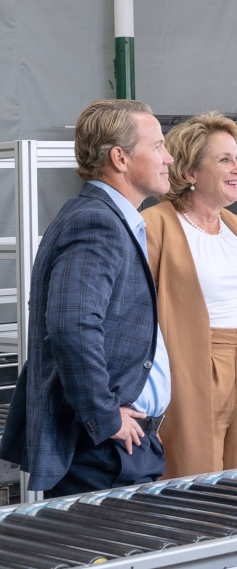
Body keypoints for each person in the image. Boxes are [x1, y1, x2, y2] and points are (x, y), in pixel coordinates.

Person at [0, 100, 172, 496]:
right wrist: (106, 416)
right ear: (120, 158)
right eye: (158, 146)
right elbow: (71, 327)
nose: (169, 157)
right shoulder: (96, 222)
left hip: (122, 444)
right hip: (102, 450)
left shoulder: (112, 219)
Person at [141, 112, 237, 477]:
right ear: (189, 172)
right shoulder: (155, 224)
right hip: (193, 369)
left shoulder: (232, 223)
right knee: (193, 484)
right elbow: (135, 315)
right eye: (225, 160)